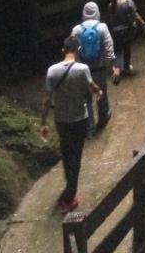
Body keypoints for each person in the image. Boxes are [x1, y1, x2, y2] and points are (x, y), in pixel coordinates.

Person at [40, 35, 102, 213]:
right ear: (79, 51)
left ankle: (69, 189)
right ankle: (68, 197)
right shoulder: (83, 69)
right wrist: (99, 92)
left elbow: (46, 100)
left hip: (61, 120)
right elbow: (92, 87)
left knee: (67, 154)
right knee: (76, 156)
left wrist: (43, 122)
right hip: (79, 119)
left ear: (63, 50)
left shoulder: (52, 71)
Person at [72, 1, 118, 137]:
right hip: (99, 68)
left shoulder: (76, 30)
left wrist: (75, 68)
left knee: (86, 100)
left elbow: (72, 51)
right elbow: (109, 49)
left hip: (82, 70)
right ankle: (103, 119)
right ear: (97, 12)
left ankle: (89, 129)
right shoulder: (102, 27)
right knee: (101, 93)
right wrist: (111, 67)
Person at [108, 0, 145, 82]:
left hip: (115, 31)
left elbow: (111, 19)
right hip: (126, 30)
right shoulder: (129, 3)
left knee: (117, 50)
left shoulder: (111, 5)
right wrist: (143, 24)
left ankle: (117, 69)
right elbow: (136, 15)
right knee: (126, 48)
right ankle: (126, 67)